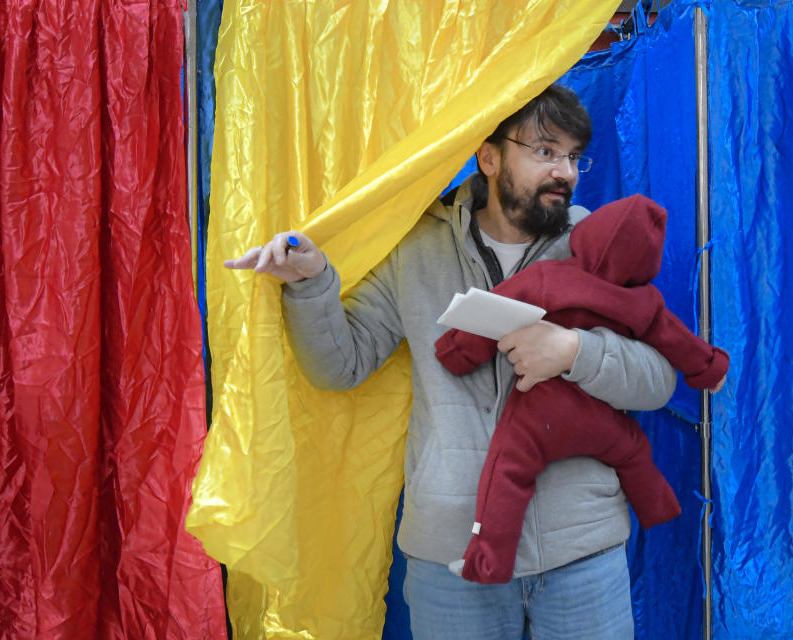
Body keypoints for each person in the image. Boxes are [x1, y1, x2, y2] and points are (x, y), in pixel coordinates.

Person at [225, 85, 678, 640]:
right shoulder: (416, 248)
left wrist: (574, 351)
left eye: (573, 156)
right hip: (450, 557)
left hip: (579, 552)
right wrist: (312, 285)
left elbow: (658, 380)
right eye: (544, 151)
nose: (565, 171)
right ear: (489, 157)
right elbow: (339, 366)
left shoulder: (594, 244)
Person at [434, 194, 729, 584]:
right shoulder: (646, 303)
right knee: (632, 448)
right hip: (598, 416)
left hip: (543, 412)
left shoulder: (549, 276)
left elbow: (499, 307)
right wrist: (710, 369)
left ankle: (489, 560)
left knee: (507, 470)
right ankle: (658, 506)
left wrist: (455, 350)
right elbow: (680, 343)